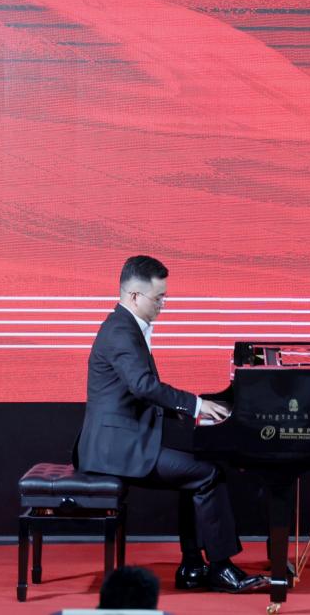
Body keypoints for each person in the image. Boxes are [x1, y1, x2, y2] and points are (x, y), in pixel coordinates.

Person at [76, 255, 267, 594]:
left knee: (199, 468)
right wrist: (196, 406)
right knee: (207, 474)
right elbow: (143, 386)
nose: (163, 304)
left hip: (126, 437)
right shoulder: (121, 331)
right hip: (115, 449)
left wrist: (195, 413)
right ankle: (220, 569)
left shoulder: (124, 325)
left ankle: (192, 566)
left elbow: (141, 392)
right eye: (159, 297)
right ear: (135, 295)